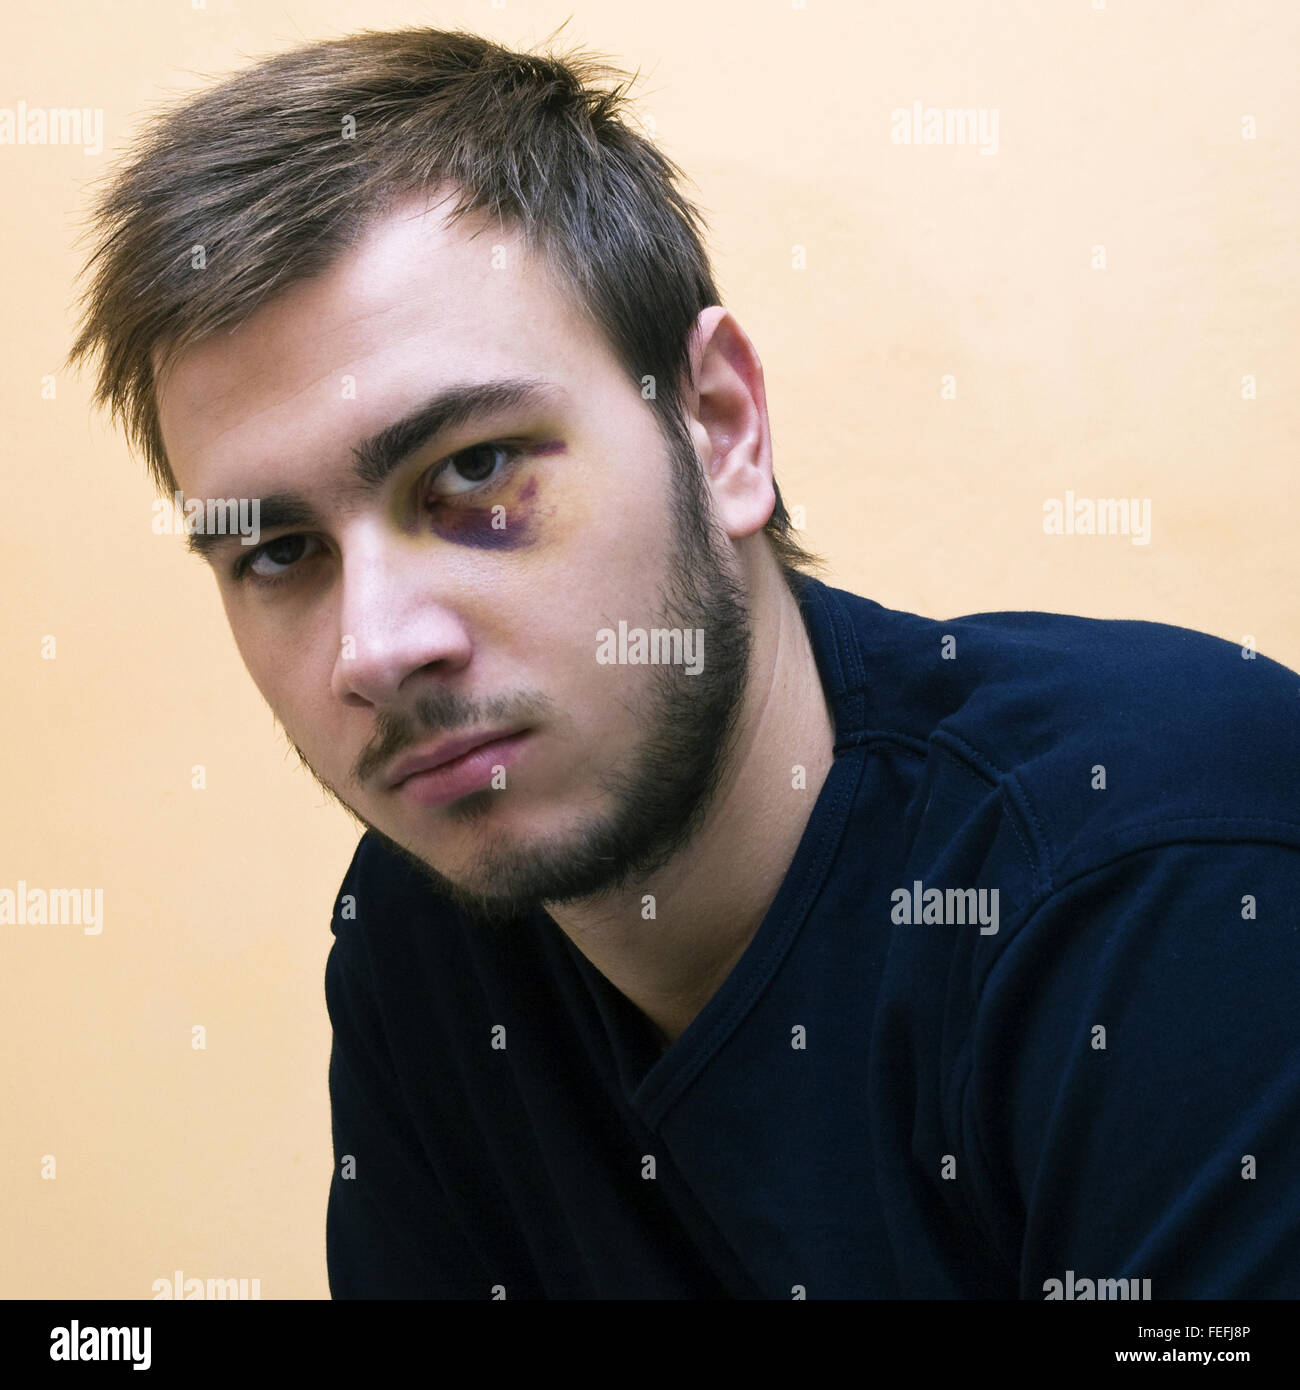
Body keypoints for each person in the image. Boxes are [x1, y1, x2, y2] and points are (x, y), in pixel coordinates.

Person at [71, 26, 1300, 1299]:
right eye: (277, 551)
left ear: (719, 427)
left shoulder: (1164, 871)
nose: (377, 648)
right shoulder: (422, 936)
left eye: (476, 471)